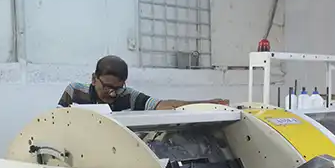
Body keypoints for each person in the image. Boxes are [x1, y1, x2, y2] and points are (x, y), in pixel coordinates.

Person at [58, 55, 228, 111]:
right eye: (107, 87)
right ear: (94, 79)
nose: (112, 93)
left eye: (118, 88)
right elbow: (55, 123)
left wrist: (208, 104)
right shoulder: (74, 91)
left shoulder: (129, 96)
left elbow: (162, 105)